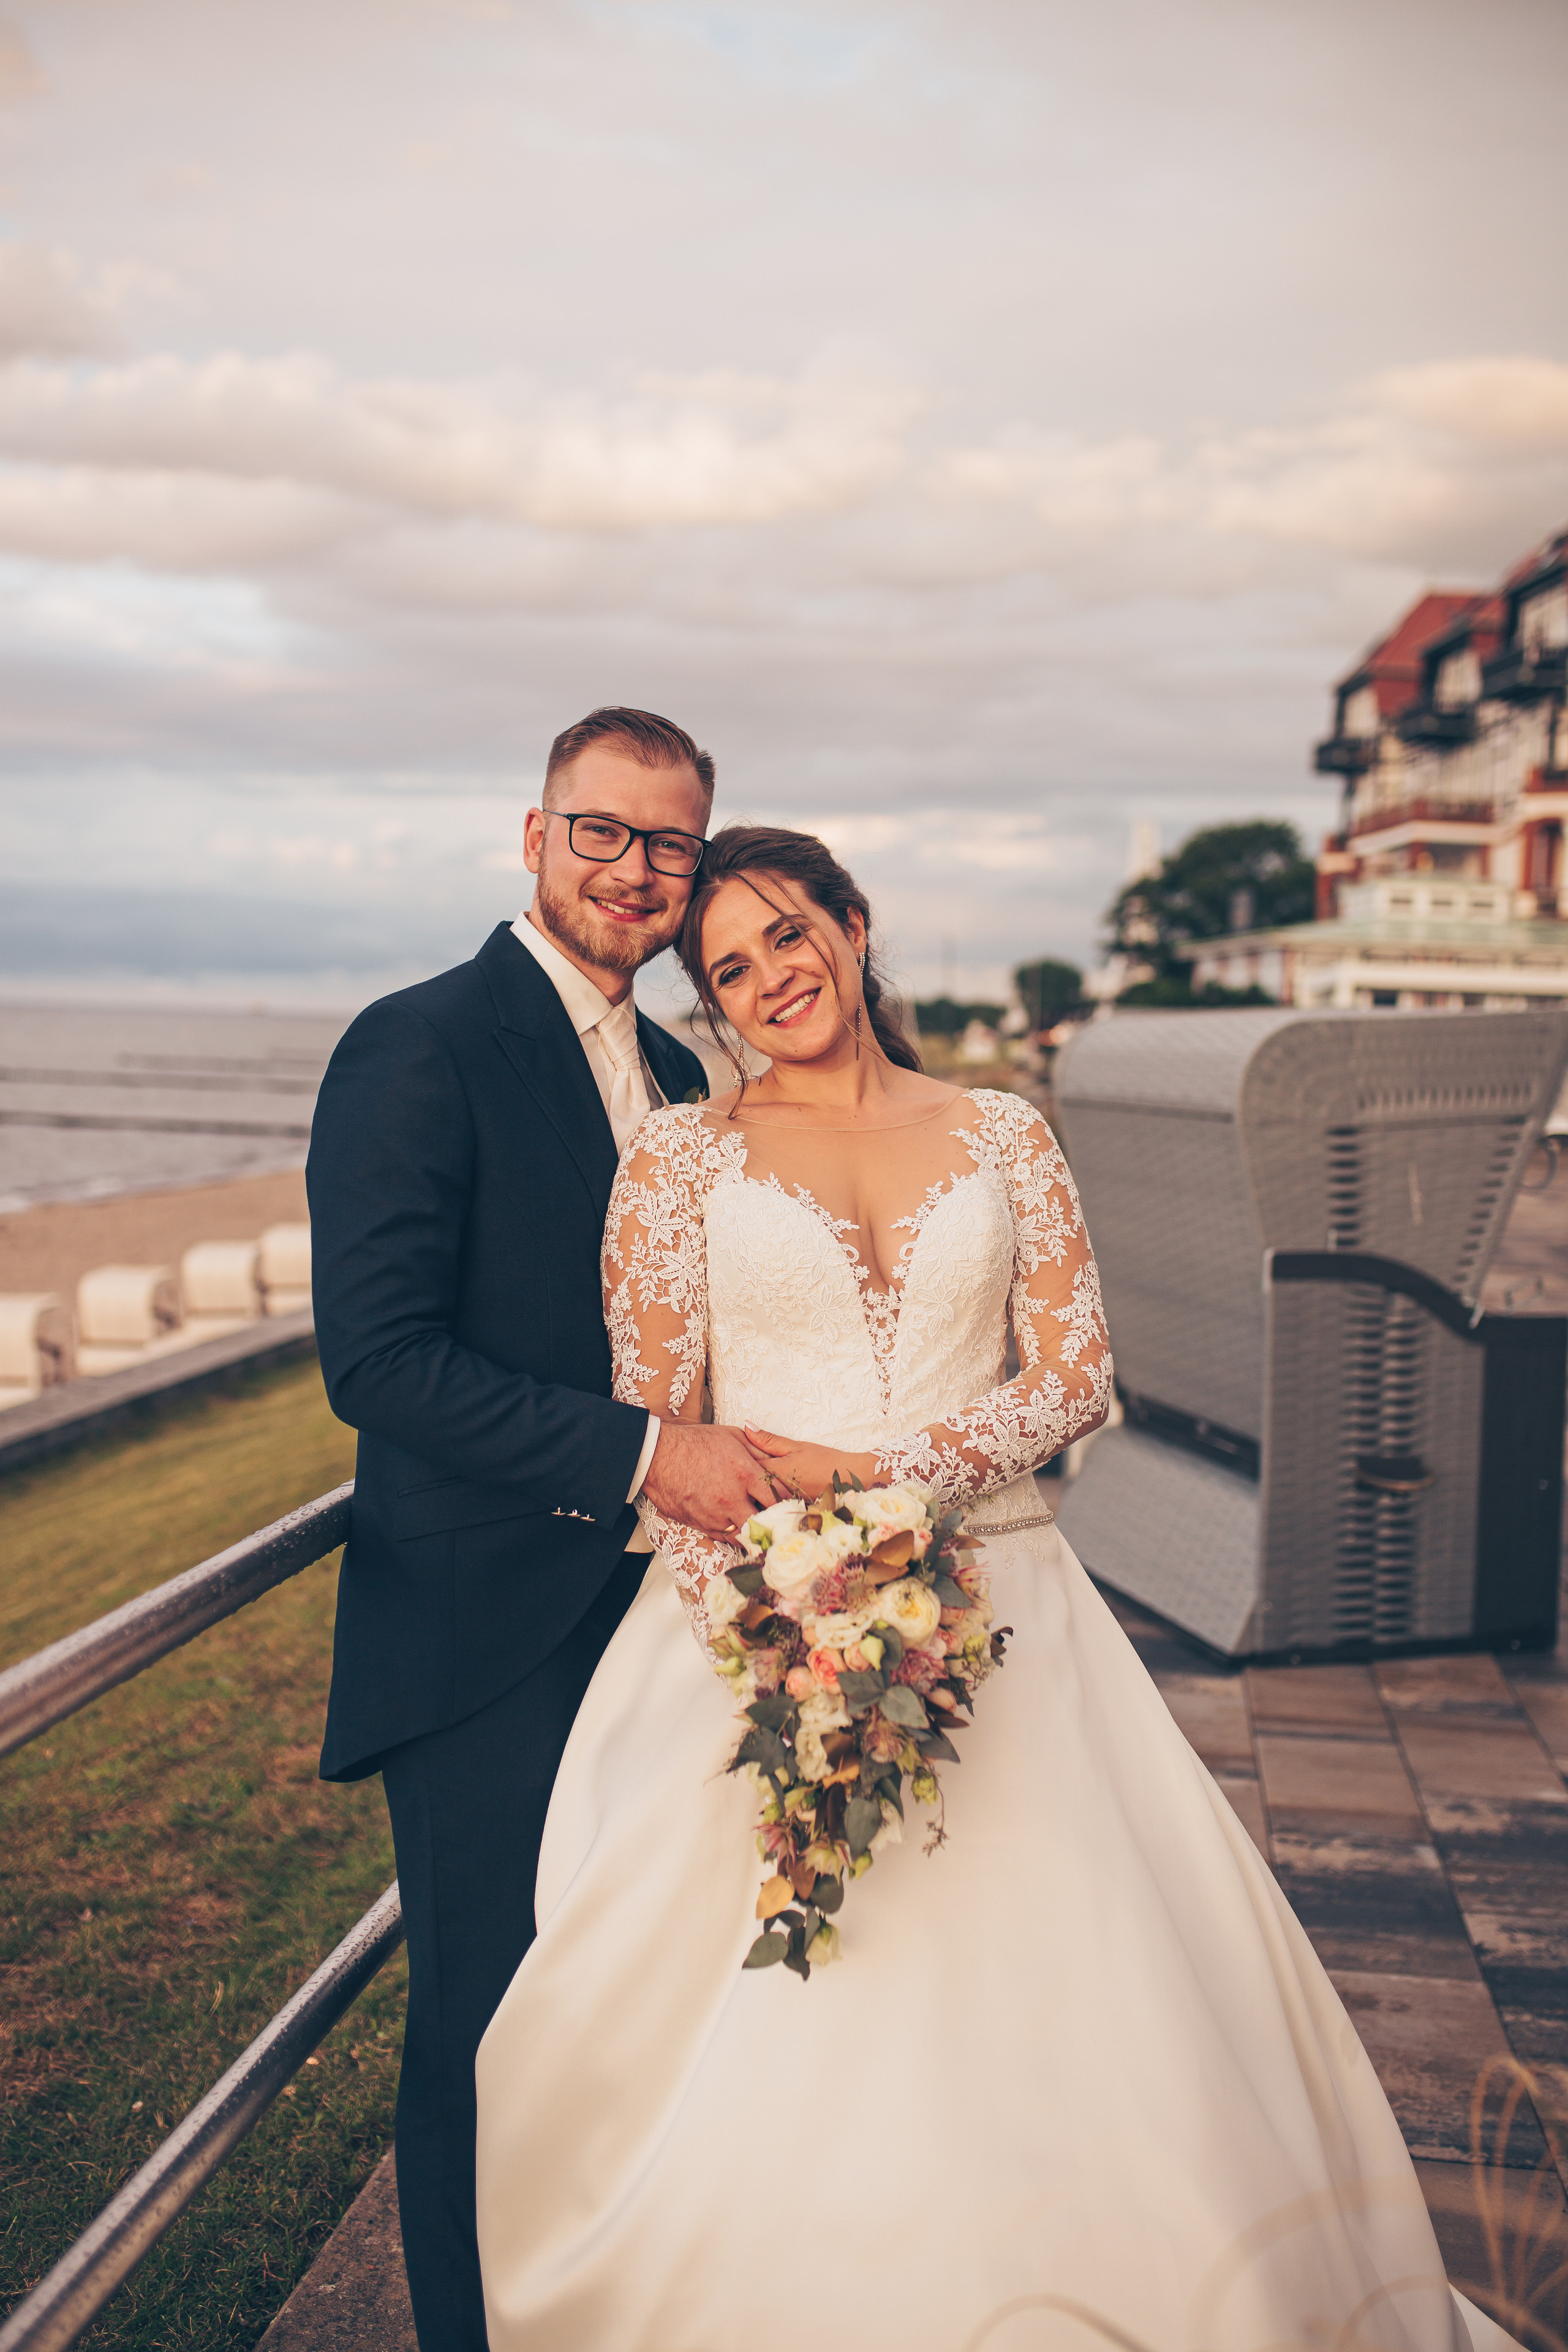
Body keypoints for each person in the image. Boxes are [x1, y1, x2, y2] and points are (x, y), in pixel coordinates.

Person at [472, 822, 1521, 2352]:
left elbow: (1076, 1377)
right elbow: (670, 1434)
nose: (772, 978)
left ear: (852, 919)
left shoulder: (1005, 1131)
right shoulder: (678, 1159)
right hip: (764, 1628)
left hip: (1014, 1603)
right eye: (729, 968)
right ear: (705, 999)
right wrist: (781, 1644)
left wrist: (881, 1490)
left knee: (1097, 2007)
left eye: (789, 934)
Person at [306, 713, 782, 2352]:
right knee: (486, 2043)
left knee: (623, 2025)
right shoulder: (418, 1043)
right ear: (534, 833)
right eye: (604, 832)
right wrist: (651, 1457)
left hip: (663, 1639)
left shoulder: (676, 1069)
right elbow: (377, 1361)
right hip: (484, 1640)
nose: (635, 871)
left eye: (670, 846)